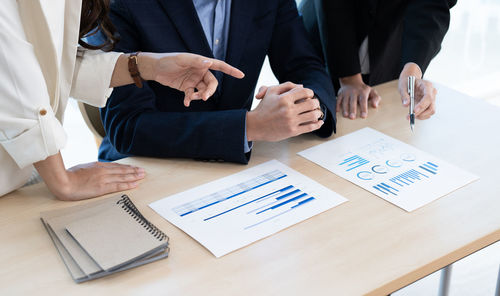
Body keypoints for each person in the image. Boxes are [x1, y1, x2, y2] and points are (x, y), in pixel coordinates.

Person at [0, 0, 244, 199]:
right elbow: (14, 74)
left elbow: (51, 64)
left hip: (21, 169)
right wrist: (62, 181)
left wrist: (151, 66)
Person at [97, 0, 336, 165]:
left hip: (240, 168)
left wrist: (306, 106)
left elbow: (305, 66)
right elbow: (126, 126)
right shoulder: (121, 4)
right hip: (148, 166)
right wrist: (248, 126)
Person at [300, 0, 456, 120]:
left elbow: (433, 4)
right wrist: (349, 78)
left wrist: (412, 68)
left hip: (390, 44)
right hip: (328, 41)